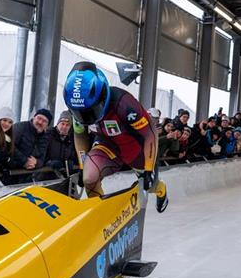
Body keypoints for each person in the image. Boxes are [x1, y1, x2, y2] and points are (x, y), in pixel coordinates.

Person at [62, 61, 168, 212]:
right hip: (106, 146)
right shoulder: (77, 110)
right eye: (79, 113)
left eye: (90, 111)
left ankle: (161, 190)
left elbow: (150, 133)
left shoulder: (124, 103)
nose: (85, 117)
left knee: (150, 185)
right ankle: (101, 214)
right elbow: (80, 136)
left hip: (135, 149)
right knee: (89, 177)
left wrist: (149, 168)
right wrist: (82, 165)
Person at [10, 108, 52, 184]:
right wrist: (25, 161)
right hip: (9, 174)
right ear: (33, 118)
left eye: (44, 121)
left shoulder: (45, 138)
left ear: (47, 126)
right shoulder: (21, 127)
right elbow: (9, 146)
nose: (40, 122)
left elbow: (42, 159)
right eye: (39, 118)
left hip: (25, 178)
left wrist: (36, 163)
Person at [35, 110, 77, 181]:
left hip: (60, 178)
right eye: (62, 124)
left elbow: (72, 156)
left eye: (67, 125)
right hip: (42, 177)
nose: (64, 127)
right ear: (58, 124)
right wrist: (49, 162)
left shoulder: (70, 139)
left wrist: (71, 162)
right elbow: (38, 154)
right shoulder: (47, 135)